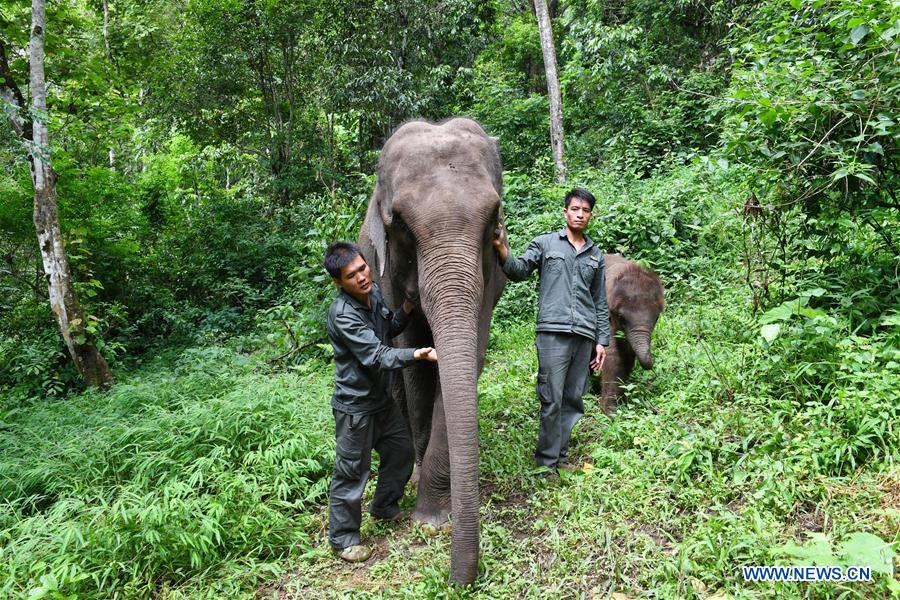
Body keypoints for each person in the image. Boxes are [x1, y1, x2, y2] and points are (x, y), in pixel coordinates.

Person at [323, 241, 437, 562]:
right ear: (338, 282)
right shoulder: (343, 315)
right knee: (351, 472)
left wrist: (408, 308)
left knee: (402, 452)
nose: (361, 277)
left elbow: (389, 329)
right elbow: (377, 355)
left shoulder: (372, 295)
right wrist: (418, 353)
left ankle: (385, 506)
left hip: (381, 402)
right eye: (351, 275)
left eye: (363, 268)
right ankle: (344, 539)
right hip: (355, 409)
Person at [492, 188, 610, 475]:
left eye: (585, 210)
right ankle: (546, 463)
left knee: (573, 399)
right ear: (565, 212)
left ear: (590, 215)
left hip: (583, 334)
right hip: (552, 334)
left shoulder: (596, 255)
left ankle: (561, 455)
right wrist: (501, 247)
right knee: (552, 398)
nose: (579, 214)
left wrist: (601, 341)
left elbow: (600, 302)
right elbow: (518, 270)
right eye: (574, 209)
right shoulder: (546, 244)